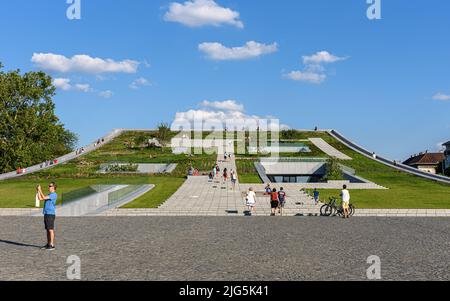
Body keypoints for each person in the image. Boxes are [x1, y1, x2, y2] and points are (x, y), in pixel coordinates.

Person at [37, 183, 58, 250]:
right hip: (46, 213)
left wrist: (40, 190)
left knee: (50, 230)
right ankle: (48, 244)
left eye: (50, 186)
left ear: (53, 187)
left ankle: (52, 245)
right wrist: (37, 190)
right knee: (47, 230)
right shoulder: (49, 194)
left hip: (50, 214)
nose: (49, 187)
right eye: (49, 185)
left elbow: (43, 197)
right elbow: (40, 198)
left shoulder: (54, 194)